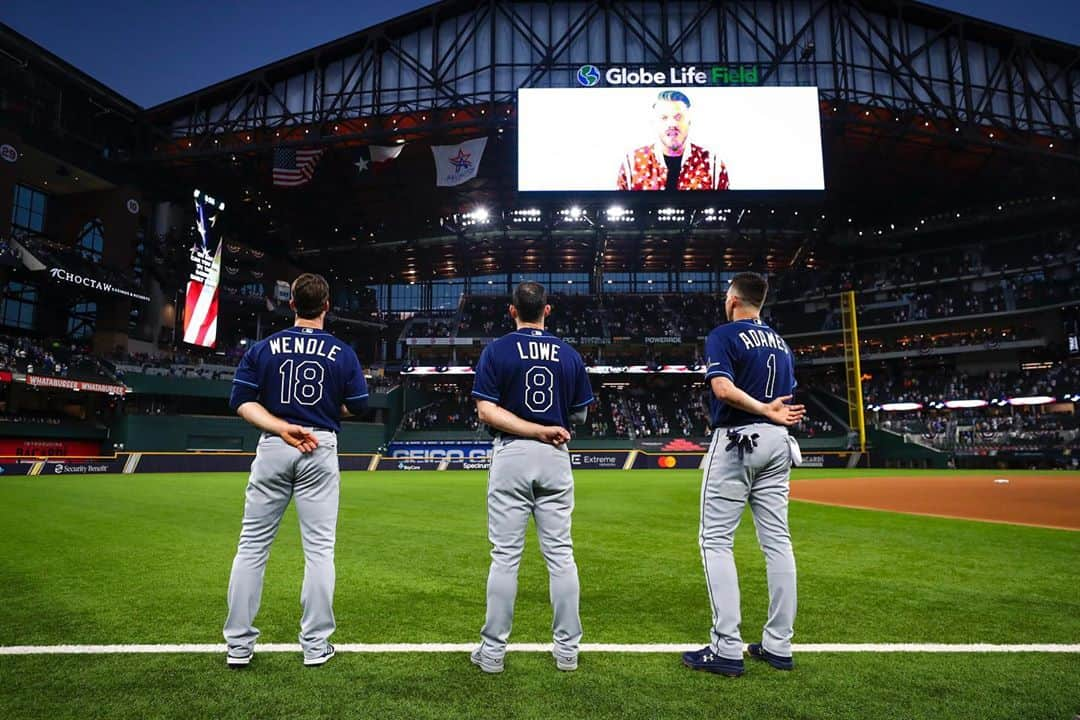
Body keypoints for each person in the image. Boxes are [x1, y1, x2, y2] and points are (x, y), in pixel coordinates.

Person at [223, 273, 369, 668]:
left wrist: (280, 426)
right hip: (319, 445)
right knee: (320, 551)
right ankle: (315, 646)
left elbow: (242, 402)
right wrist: (322, 413)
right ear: (327, 307)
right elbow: (358, 405)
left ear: (292, 305)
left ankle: (238, 646)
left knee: (251, 547)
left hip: (274, 444)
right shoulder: (342, 352)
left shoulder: (264, 348)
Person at [682, 272, 805, 677]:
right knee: (778, 542)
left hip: (739, 439)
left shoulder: (725, 334)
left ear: (734, 300)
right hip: (779, 442)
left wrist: (763, 408)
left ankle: (727, 648)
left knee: (715, 540)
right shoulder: (782, 343)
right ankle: (778, 645)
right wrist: (772, 413)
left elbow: (722, 388)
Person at [469, 282, 595, 674]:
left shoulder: (497, 349)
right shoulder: (569, 353)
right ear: (548, 310)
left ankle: (492, 654)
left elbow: (486, 412)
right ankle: (567, 652)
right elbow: (579, 417)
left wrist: (528, 428)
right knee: (561, 555)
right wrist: (546, 427)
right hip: (555, 452)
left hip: (512, 452)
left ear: (512, 311)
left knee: (505, 558)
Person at [616, 89, 729, 191]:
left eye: (678, 117)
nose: (672, 124)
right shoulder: (632, 163)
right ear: (654, 123)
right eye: (664, 118)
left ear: (689, 122)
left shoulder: (713, 164)